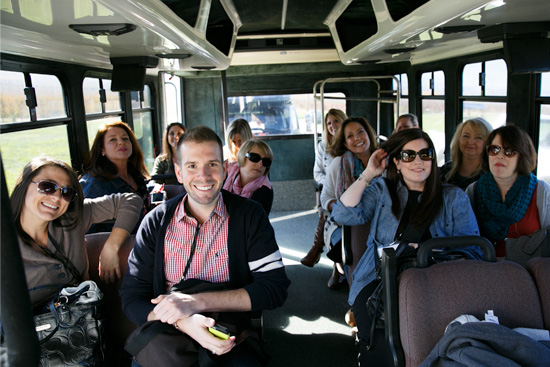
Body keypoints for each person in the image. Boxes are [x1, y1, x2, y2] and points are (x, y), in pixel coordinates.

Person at [120, 126, 290, 366]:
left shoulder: (250, 215)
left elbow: (274, 288)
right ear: (178, 172)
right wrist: (183, 321)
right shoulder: (155, 223)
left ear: (224, 167)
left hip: (229, 331)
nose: (204, 175)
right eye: (192, 166)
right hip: (168, 330)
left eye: (212, 164)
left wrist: (197, 302)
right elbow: (132, 298)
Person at [332, 128, 482, 366]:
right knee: (382, 348)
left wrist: (429, 251)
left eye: (425, 154)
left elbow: (474, 252)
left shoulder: (454, 198)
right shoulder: (382, 191)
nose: (418, 161)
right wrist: (370, 173)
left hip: (437, 278)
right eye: (408, 156)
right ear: (396, 163)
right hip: (379, 279)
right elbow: (342, 214)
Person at [10, 156, 143, 308]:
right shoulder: (5, 245)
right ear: (24, 185)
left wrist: (111, 247)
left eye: (66, 192)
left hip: (86, 322)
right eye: (47, 186)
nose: (56, 197)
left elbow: (131, 200)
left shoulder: (72, 219)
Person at [466, 124, 550, 258]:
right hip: (484, 268)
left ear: (522, 156)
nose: (499, 156)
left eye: (508, 151)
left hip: (528, 271)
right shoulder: (473, 190)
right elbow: (466, 241)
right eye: (494, 149)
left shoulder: (541, 191)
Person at [321, 116, 378, 289]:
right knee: (351, 248)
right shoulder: (339, 164)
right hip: (342, 224)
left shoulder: (385, 160)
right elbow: (325, 198)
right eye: (350, 136)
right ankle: (356, 292)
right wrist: (341, 207)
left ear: (369, 135)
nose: (358, 138)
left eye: (361, 132)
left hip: (379, 220)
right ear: (345, 143)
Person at [80, 121, 151, 233]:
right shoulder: (93, 183)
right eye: (113, 139)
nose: (121, 143)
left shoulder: (135, 175)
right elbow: (87, 234)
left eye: (125, 139)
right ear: (102, 150)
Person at [301, 108, 347, 267]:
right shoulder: (323, 146)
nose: (332, 126)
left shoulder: (350, 143)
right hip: (329, 189)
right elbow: (317, 172)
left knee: (327, 216)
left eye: (336, 121)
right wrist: (330, 182)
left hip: (348, 190)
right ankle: (332, 262)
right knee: (328, 210)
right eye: (329, 123)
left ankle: (317, 249)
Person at [223, 139, 274, 214]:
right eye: (254, 158)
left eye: (266, 161)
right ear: (242, 156)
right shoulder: (224, 173)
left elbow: (257, 223)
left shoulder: (265, 190)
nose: (260, 164)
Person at [440, 118, 493, 189]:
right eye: (466, 136)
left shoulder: (491, 176)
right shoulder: (445, 170)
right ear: (458, 139)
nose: (470, 142)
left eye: (478, 137)